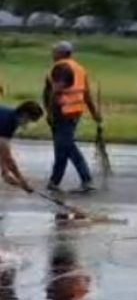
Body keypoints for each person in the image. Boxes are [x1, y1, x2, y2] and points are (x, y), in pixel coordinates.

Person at [41, 41, 102, 193]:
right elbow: (87, 94)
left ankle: (86, 179)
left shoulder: (61, 67)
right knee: (61, 147)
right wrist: (95, 114)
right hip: (76, 111)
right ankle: (54, 181)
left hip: (63, 112)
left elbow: (56, 91)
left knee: (67, 146)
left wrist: (50, 112)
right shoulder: (79, 68)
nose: (52, 54)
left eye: (54, 51)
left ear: (62, 53)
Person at [0, 100, 44, 195]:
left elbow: (2, 149)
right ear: (24, 114)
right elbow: (8, 158)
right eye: (30, 120)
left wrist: (5, 171)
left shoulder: (11, 118)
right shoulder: (7, 122)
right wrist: (21, 180)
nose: (28, 124)